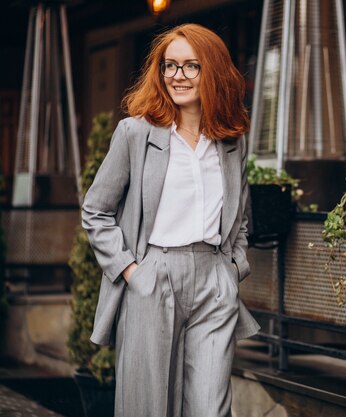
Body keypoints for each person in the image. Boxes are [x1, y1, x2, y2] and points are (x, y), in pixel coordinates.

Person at [82, 23, 260, 417]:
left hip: (214, 277)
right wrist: (131, 271)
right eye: (169, 66)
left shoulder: (232, 141)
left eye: (190, 66)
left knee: (210, 408)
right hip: (153, 274)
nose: (177, 76)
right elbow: (95, 210)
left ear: (212, 71)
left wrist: (233, 268)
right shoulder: (136, 133)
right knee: (147, 404)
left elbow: (239, 218)